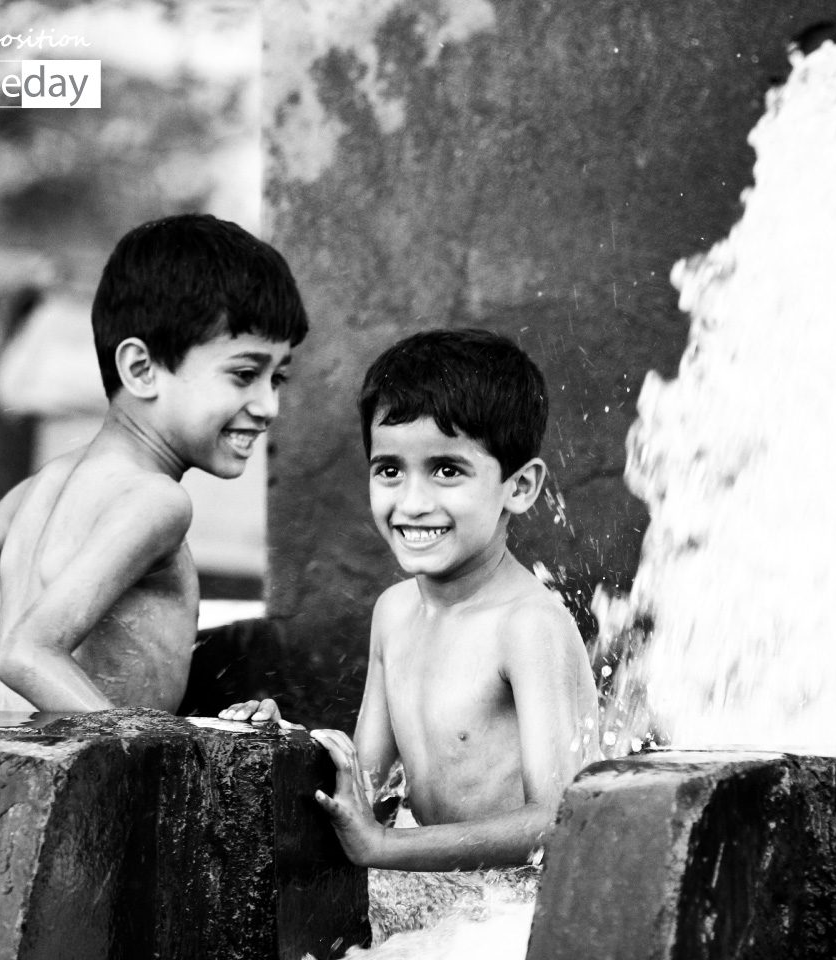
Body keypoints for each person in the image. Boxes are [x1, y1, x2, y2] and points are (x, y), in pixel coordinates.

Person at [0, 213, 306, 716]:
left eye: (277, 378)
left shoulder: (37, 490)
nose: (268, 406)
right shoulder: (156, 500)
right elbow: (27, 653)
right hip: (79, 788)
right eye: (244, 374)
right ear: (141, 369)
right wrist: (167, 752)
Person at [227, 328, 598, 877]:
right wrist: (282, 748)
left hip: (518, 912)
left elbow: (558, 821)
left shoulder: (528, 625)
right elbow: (364, 790)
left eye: (447, 470)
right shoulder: (395, 612)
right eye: (390, 470)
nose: (413, 502)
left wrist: (383, 849)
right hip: (451, 902)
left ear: (519, 488)